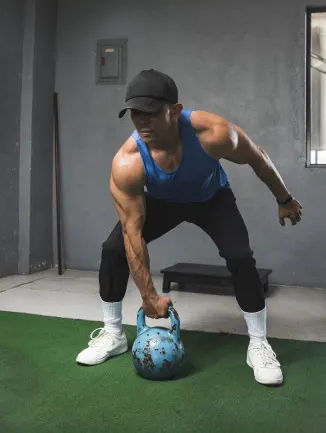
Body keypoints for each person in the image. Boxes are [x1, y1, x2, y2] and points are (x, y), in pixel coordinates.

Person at [76, 69, 302, 385]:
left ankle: (259, 343)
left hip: (211, 198)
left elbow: (257, 157)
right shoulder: (128, 161)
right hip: (162, 202)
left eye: (151, 112)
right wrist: (149, 295)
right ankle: (113, 334)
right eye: (135, 113)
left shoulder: (213, 133)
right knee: (113, 249)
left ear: (175, 111)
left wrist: (285, 198)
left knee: (239, 257)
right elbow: (133, 232)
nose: (142, 121)